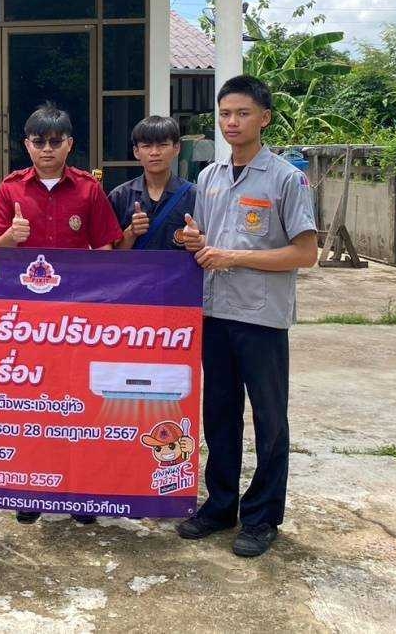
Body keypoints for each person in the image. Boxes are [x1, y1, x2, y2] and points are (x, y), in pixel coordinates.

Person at [175, 75, 317, 558]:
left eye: (242, 113)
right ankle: (220, 506)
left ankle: (262, 517)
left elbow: (306, 253)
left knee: (269, 419)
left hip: (261, 318)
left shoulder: (286, 178)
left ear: (265, 118)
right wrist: (194, 242)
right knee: (218, 414)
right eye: (225, 114)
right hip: (214, 312)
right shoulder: (209, 178)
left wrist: (232, 256)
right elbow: (204, 241)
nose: (232, 122)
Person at [0, 102, 124, 525]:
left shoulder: (89, 190)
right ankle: (31, 487)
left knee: (80, 401)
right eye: (39, 141)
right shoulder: (10, 189)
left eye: (55, 141)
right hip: (25, 317)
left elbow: (105, 250)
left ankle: (81, 490)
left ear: (69, 144)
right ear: (26, 145)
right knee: (31, 402)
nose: (47, 148)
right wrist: (11, 236)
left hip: (76, 318)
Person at [108, 115, 195, 251]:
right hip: (134, 266)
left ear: (177, 148)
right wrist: (131, 232)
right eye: (147, 146)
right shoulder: (120, 196)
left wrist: (198, 240)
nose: (154, 152)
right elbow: (110, 256)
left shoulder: (194, 195)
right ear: (136, 152)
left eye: (163, 145)